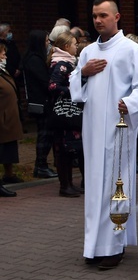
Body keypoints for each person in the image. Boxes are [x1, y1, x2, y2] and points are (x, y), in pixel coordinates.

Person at [70, 0, 138, 269]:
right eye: (94, 15)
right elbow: (76, 90)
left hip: (118, 128)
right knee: (94, 187)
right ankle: (94, 245)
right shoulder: (87, 51)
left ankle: (115, 247)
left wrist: (129, 103)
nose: (97, 20)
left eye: (103, 15)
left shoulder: (131, 50)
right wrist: (83, 72)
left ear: (117, 17)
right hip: (93, 128)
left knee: (116, 185)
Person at [48, 31, 84, 197]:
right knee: (63, 148)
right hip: (63, 114)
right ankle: (65, 185)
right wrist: (72, 91)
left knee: (69, 148)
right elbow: (53, 86)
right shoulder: (61, 64)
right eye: (74, 44)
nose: (77, 47)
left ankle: (69, 183)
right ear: (66, 46)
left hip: (68, 112)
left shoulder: (68, 63)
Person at [22, 30, 58, 178]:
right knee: (44, 134)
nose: (48, 43)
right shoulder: (34, 60)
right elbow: (44, 81)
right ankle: (41, 165)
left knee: (46, 134)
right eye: (46, 40)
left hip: (42, 101)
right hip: (41, 102)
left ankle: (41, 165)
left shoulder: (34, 58)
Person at [0, 41, 23, 196]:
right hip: (2, 118)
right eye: (2, 53)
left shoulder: (3, 71)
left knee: (8, 149)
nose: (5, 56)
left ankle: (8, 174)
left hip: (8, 117)